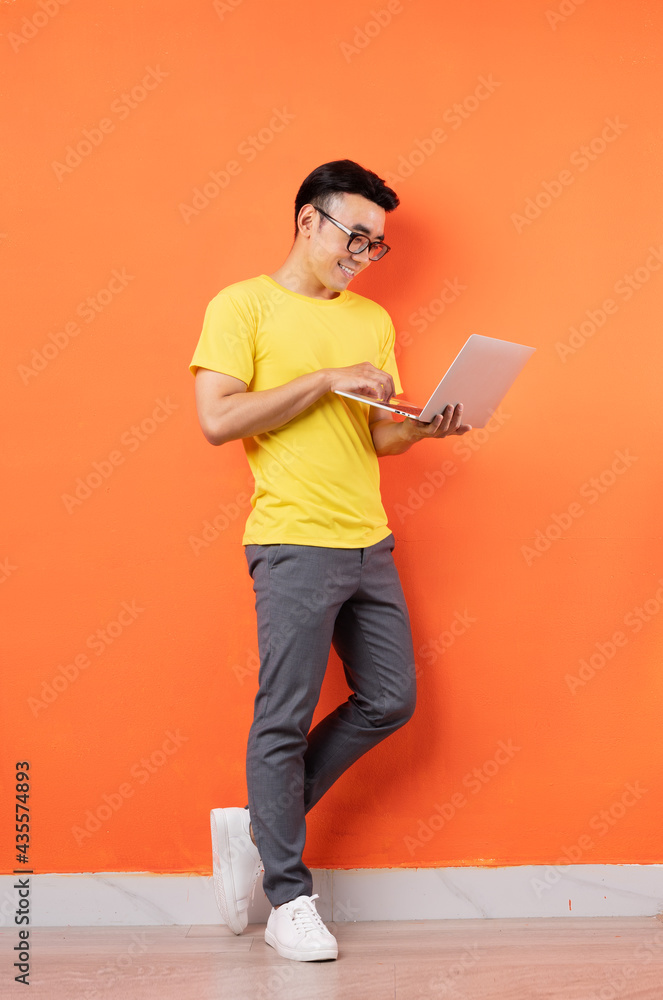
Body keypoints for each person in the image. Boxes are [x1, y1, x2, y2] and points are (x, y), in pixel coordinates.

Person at [190, 159, 471, 963]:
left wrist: (422, 428)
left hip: (367, 537)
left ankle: (257, 827)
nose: (362, 252)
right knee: (282, 715)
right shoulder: (241, 305)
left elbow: (373, 436)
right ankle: (287, 896)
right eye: (355, 235)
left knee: (389, 699)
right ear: (307, 221)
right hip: (291, 538)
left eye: (375, 244)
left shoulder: (370, 321)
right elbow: (217, 420)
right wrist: (322, 378)